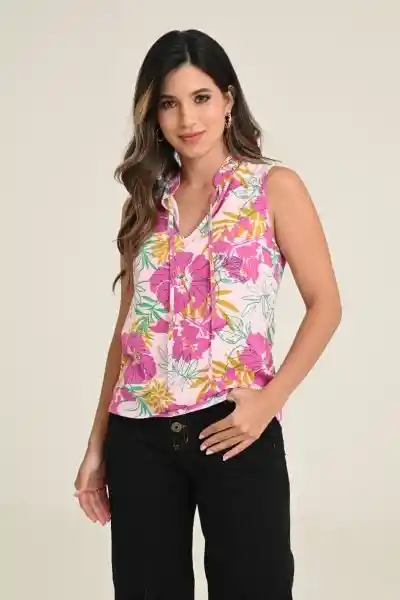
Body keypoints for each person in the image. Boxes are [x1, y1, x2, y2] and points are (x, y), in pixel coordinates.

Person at [74, 29, 342, 600]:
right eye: (169, 103)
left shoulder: (273, 187)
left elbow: (326, 305)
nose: (186, 118)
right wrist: (97, 446)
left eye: (200, 98)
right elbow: (126, 334)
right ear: (154, 114)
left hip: (235, 429)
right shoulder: (145, 202)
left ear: (227, 100)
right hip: (138, 436)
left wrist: (268, 402)